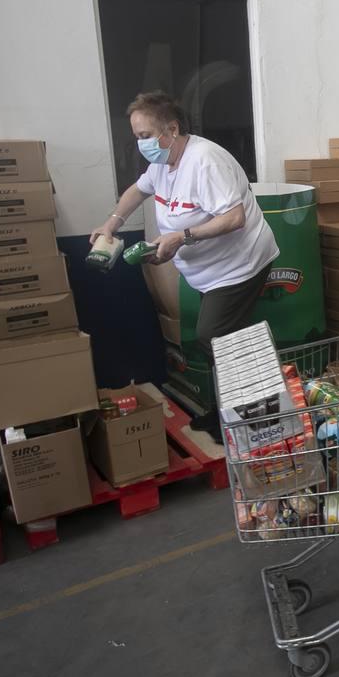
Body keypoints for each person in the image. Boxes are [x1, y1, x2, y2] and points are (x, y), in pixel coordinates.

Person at [91, 90, 279, 433]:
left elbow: (234, 218)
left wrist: (181, 238)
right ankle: (233, 412)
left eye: (146, 136)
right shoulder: (162, 163)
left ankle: (259, 414)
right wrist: (112, 222)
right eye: (136, 138)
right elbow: (137, 190)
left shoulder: (206, 161)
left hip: (241, 262)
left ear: (171, 129)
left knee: (215, 334)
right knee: (220, 338)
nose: (141, 144)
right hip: (209, 270)